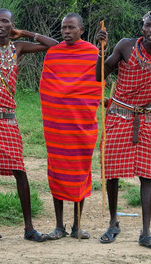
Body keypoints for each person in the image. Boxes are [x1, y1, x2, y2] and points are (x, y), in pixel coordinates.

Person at [0, 9, 57, 242]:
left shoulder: (18, 48)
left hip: (8, 119)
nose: (0, 25)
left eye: (5, 21)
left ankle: (29, 228)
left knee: (19, 169)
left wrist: (24, 33)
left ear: (11, 25)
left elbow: (53, 46)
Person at [96, 11, 151, 248]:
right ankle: (112, 223)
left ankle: (146, 232)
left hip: (146, 118)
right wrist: (100, 50)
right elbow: (99, 74)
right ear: (142, 29)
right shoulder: (125, 47)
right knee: (112, 173)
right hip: (118, 116)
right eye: (147, 26)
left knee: (147, 175)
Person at [39, 13, 102, 240]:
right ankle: (58, 226)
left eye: (71, 28)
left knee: (79, 171)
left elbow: (96, 84)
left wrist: (103, 50)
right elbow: (46, 88)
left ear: (81, 30)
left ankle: (77, 226)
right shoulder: (53, 54)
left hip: (82, 125)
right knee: (56, 170)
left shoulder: (93, 53)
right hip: (57, 125)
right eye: (63, 28)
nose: (66, 31)